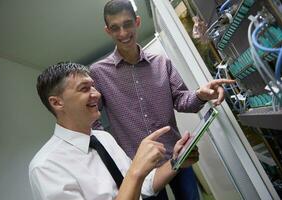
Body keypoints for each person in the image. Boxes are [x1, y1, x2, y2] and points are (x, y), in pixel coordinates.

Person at [90, 0, 235, 199]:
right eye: (115, 28)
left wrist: (200, 94)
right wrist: (113, 154)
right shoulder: (98, 73)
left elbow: (182, 100)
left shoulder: (162, 63)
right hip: (139, 166)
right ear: (108, 31)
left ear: (137, 22)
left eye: (127, 24)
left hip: (176, 156)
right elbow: (92, 120)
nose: (123, 33)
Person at [29, 62, 199, 200]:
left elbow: (142, 186)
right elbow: (134, 178)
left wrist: (176, 162)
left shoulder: (104, 138)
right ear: (57, 103)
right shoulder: (46, 167)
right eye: (84, 88)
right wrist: (136, 170)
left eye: (93, 86)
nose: (96, 94)